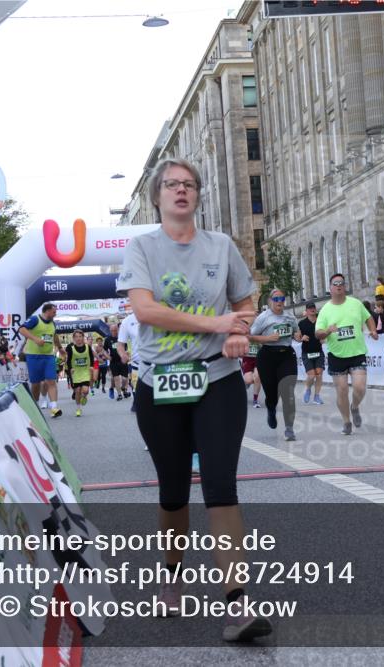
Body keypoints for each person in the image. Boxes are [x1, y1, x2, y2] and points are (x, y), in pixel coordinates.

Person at [116, 157, 271, 642]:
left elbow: (244, 303)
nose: (181, 190)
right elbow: (145, 309)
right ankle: (171, 577)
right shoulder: (141, 247)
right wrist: (216, 323)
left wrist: (238, 330)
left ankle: (238, 604)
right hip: (160, 382)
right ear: (157, 197)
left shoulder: (221, 246)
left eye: (189, 184)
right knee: (173, 488)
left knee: (220, 484)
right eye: (171, 185)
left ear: (199, 195)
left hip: (217, 379)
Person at [316, 273, 378, 435]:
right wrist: (327, 331)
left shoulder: (356, 303)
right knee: (342, 390)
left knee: (360, 387)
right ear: (330, 288)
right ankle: (346, 421)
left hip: (357, 352)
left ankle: (354, 406)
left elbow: (368, 318)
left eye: (341, 283)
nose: (339, 286)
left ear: (344, 287)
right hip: (337, 355)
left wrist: (372, 330)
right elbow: (318, 333)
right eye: (335, 283)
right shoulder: (325, 310)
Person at [249, 289, 300, 441]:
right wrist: (267, 338)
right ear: (270, 301)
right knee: (272, 393)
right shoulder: (263, 318)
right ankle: (271, 408)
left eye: (282, 299)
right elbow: (250, 336)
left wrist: (297, 335)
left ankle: (289, 429)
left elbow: (296, 332)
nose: (279, 302)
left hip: (286, 356)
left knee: (288, 393)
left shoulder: (290, 316)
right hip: (267, 357)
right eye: (276, 299)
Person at [18, 303, 64, 418]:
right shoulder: (35, 319)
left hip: (48, 356)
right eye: (54, 312)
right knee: (36, 384)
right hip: (33, 356)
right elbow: (21, 329)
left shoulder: (53, 323)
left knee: (51, 381)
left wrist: (60, 348)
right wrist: (35, 339)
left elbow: (54, 336)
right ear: (47, 311)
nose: (55, 314)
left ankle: (54, 408)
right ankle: (35, 407)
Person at [297, 301, 325, 405]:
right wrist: (301, 338)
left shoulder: (320, 322)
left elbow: (324, 334)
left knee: (319, 374)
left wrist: (324, 338)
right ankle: (308, 389)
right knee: (312, 375)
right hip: (307, 353)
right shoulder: (301, 323)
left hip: (318, 352)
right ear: (306, 311)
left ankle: (316, 396)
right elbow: (297, 337)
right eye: (310, 308)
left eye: (313, 307)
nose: (312, 309)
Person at [65, 329, 94, 417]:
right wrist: (70, 368)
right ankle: (78, 408)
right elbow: (68, 360)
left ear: (83, 337)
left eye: (80, 336)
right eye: (76, 337)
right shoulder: (71, 348)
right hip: (76, 372)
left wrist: (91, 366)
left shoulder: (88, 347)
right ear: (74, 338)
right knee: (77, 391)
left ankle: (84, 396)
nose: (78, 338)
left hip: (85, 371)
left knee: (85, 390)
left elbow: (91, 357)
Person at [104, 321, 129, 400]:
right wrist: (108, 356)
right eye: (112, 330)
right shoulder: (108, 339)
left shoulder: (122, 338)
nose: (113, 332)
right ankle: (119, 394)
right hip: (113, 361)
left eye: (115, 330)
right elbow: (104, 350)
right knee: (116, 378)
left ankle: (123, 388)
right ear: (110, 330)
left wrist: (126, 355)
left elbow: (127, 349)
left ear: (118, 330)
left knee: (125, 379)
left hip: (122, 360)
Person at [241, 344, 262, 408]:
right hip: (247, 358)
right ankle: (247, 382)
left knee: (257, 376)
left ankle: (255, 400)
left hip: (260, 357)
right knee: (248, 380)